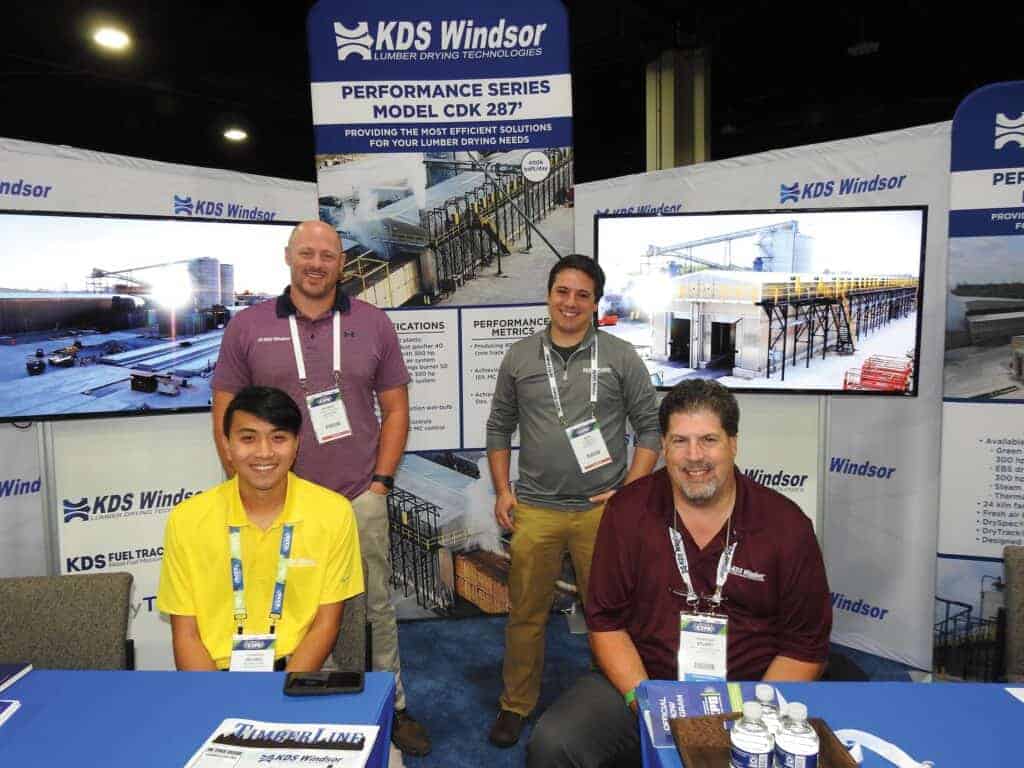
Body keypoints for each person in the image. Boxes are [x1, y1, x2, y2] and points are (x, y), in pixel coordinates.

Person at [526, 379, 833, 767]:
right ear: (664, 447)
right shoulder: (627, 512)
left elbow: (804, 646)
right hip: (647, 682)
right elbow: (606, 623)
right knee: (553, 744)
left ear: (733, 443)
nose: (694, 457)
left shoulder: (786, 526)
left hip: (751, 696)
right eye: (679, 441)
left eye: (708, 440)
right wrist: (645, 703)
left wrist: (753, 723)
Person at [209, 220, 430, 755]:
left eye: (326, 255)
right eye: (306, 252)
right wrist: (248, 485)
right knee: (290, 607)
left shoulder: (374, 323)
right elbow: (224, 409)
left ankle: (391, 703)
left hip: (357, 497)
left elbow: (395, 409)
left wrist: (381, 483)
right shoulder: (248, 326)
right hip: (277, 505)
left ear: (342, 263)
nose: (316, 263)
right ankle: (309, 703)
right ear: (288, 257)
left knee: (374, 605)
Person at [485, 254, 661, 747]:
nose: (571, 302)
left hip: (601, 511)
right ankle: (515, 704)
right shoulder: (520, 357)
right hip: (536, 509)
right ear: (549, 295)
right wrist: (502, 489)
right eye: (563, 291)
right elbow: (499, 426)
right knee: (526, 613)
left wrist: (629, 490)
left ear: (595, 302)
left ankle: (608, 702)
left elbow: (650, 428)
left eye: (583, 294)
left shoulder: (621, 356)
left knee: (609, 616)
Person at [157, 386, 363, 672]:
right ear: (227, 446)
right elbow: (186, 634)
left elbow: (326, 624)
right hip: (215, 676)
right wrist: (212, 699)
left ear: (296, 445)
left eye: (278, 438)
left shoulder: (333, 512)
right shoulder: (188, 519)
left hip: (298, 671)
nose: (264, 453)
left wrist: (280, 697)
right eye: (248, 439)